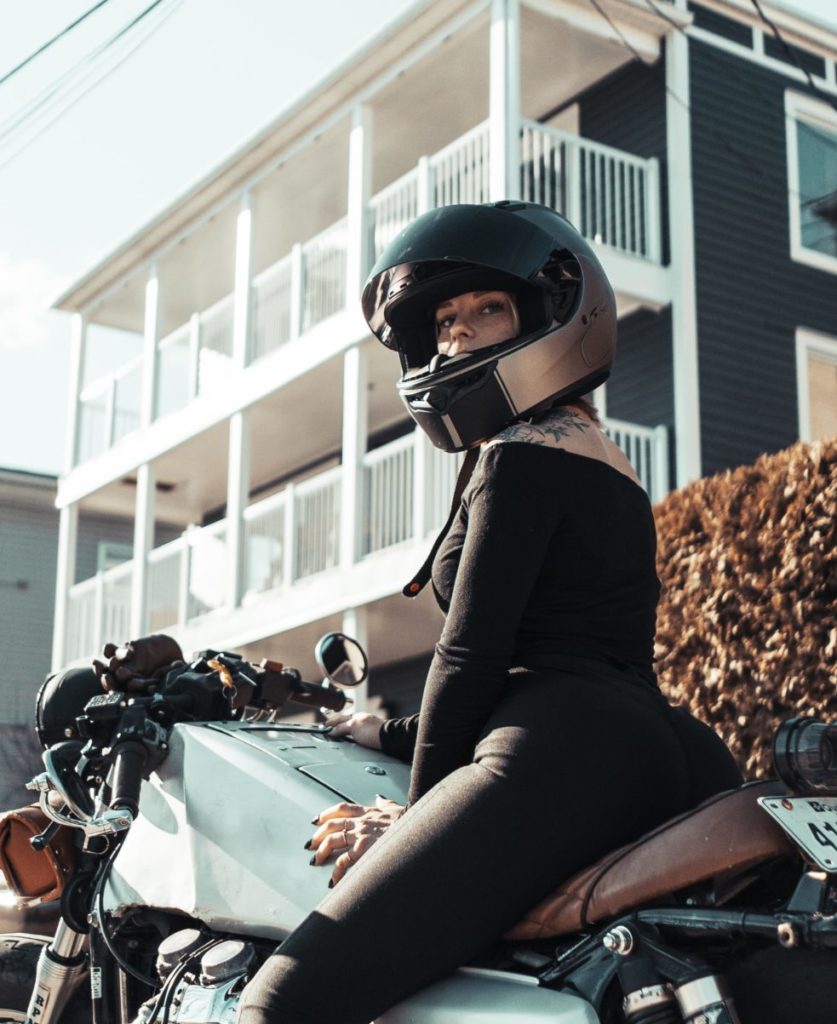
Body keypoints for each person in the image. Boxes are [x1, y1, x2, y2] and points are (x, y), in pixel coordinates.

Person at [237, 202, 742, 1024]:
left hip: (561, 747)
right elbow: (565, 664)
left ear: (545, 317)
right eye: (443, 320)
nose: (459, 334)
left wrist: (411, 819)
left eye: (486, 309)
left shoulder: (519, 455)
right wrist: (386, 732)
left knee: (278, 1004)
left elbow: (472, 655)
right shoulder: (608, 462)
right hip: (658, 750)